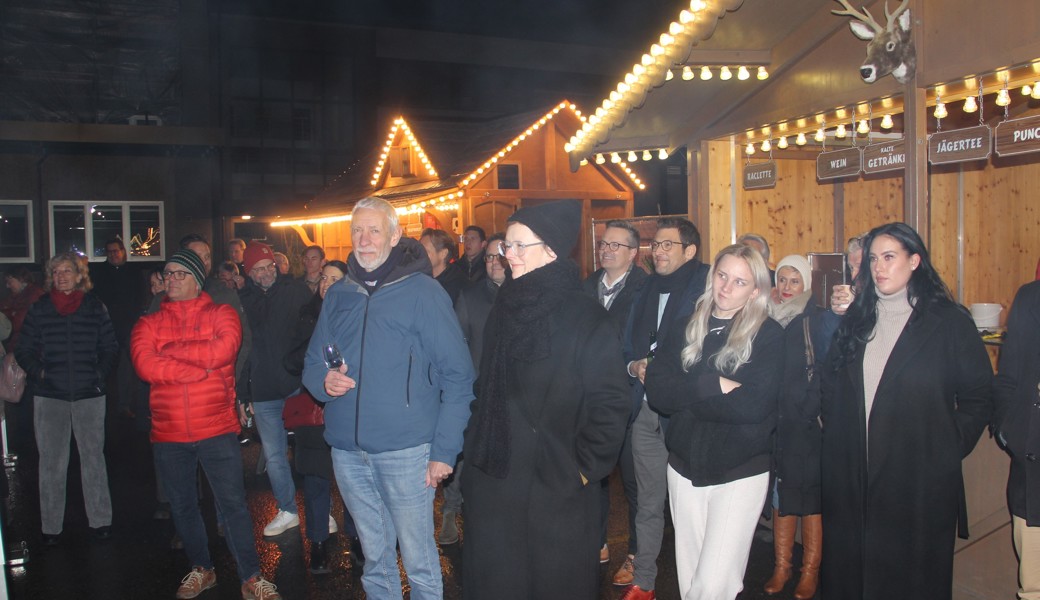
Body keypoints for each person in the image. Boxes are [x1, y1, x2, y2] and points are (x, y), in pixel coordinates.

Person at [302, 197, 474, 600]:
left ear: (395, 236)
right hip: (347, 451)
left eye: (374, 229)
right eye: (357, 230)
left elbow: (460, 377)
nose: (363, 239)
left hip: (407, 451)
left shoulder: (423, 293)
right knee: (374, 558)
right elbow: (312, 363)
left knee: (417, 557)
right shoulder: (340, 294)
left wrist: (444, 450)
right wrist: (323, 381)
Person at [462, 199, 630, 600]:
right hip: (495, 479)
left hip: (557, 491)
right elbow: (485, 388)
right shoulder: (506, 306)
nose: (510, 256)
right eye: (507, 246)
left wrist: (582, 472)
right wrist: (473, 446)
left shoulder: (587, 318)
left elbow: (610, 406)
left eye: (521, 246)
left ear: (551, 251)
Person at [820, 222, 993, 600]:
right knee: (853, 578)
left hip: (917, 485)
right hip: (854, 479)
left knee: (908, 582)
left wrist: (946, 447)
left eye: (889, 257)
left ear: (915, 261)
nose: (878, 267)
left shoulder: (949, 322)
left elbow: (980, 395)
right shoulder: (857, 320)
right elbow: (828, 387)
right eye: (873, 259)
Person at [131, 250, 281, 600]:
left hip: (216, 428)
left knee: (233, 506)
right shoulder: (149, 321)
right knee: (183, 506)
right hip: (169, 432)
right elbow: (144, 365)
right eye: (167, 274)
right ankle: (203, 569)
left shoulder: (222, 313)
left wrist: (170, 356)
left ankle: (251, 576)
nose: (171, 280)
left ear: (197, 279)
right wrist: (197, 369)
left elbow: (225, 351)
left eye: (180, 274)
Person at [645, 243, 783, 600]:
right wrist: (712, 384)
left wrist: (687, 395)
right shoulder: (683, 325)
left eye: (739, 282)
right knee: (690, 578)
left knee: (715, 583)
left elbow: (754, 406)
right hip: (683, 466)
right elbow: (659, 394)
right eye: (722, 275)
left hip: (740, 470)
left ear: (755, 290)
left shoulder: (769, 335)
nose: (726, 287)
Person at [620, 216, 710, 598]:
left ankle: (704, 581)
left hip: (687, 411)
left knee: (693, 501)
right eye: (655, 245)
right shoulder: (644, 288)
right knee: (648, 498)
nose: (657, 251)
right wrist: (633, 365)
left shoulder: (708, 287)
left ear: (689, 250)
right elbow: (627, 343)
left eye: (667, 245)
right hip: (645, 408)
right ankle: (644, 580)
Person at [16, 252, 118, 545]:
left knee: (93, 459)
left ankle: (100, 521)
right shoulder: (40, 308)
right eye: (56, 272)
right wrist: (42, 374)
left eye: (67, 271)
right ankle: (51, 527)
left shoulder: (94, 307)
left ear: (78, 276)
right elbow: (24, 350)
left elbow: (110, 347)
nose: (61, 276)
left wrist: (98, 375)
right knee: (51, 462)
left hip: (89, 395)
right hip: (50, 396)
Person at [283, 259, 361, 574]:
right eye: (324, 278)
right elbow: (289, 359)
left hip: (347, 407)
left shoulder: (356, 314)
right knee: (316, 480)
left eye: (335, 278)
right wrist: (315, 363)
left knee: (353, 482)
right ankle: (317, 543)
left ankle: (357, 540)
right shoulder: (305, 314)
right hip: (313, 411)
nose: (327, 283)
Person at [763, 255, 833, 599]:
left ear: (805, 284)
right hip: (777, 424)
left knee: (811, 498)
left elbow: (828, 368)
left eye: (794, 281)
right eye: (782, 280)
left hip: (808, 423)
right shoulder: (767, 317)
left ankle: (810, 571)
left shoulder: (815, 319)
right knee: (782, 495)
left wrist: (811, 409)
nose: (787, 288)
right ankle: (782, 566)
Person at [582, 219, 648, 568]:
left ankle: (637, 555)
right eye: (603, 244)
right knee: (595, 477)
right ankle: (598, 542)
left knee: (634, 482)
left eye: (614, 246)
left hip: (628, 397)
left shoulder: (645, 289)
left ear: (634, 254)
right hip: (590, 400)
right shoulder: (586, 286)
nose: (605, 250)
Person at [239, 241, 314, 537]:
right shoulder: (243, 300)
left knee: (309, 450)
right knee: (274, 455)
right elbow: (242, 350)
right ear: (249, 273)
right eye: (258, 269)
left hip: (297, 385)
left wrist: (304, 370)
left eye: (269, 266)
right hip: (264, 390)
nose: (266, 273)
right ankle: (288, 509)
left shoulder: (295, 291)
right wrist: (243, 393)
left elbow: (312, 333)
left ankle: (317, 510)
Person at [438, 232, 509, 545]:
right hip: (476, 390)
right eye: (490, 256)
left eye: (499, 256)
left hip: (515, 394)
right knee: (463, 454)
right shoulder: (471, 295)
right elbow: (456, 346)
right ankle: (451, 511)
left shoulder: (525, 294)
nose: (494, 262)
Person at [993, 279, 1040, 600]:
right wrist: (1009, 432)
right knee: (1034, 584)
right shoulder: (1031, 297)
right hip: (1035, 462)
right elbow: (1009, 374)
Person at [90, 238, 145, 417]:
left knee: (128, 369)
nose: (113, 254)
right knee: (106, 367)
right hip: (106, 328)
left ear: (123, 252)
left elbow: (140, 298)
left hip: (129, 326)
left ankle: (126, 405)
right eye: (110, 252)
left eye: (116, 251)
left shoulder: (134, 272)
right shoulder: (99, 272)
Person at [1, 266, 44, 353]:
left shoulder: (35, 295)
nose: (7, 286)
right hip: (16, 345)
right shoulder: (15, 296)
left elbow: (20, 322)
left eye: (10, 282)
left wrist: (10, 315)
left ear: (21, 279)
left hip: (27, 348)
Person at [420, 228, 466, 305]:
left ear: (443, 254)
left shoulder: (459, 288)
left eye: (425, 251)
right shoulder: (419, 279)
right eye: (419, 250)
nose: (419, 254)